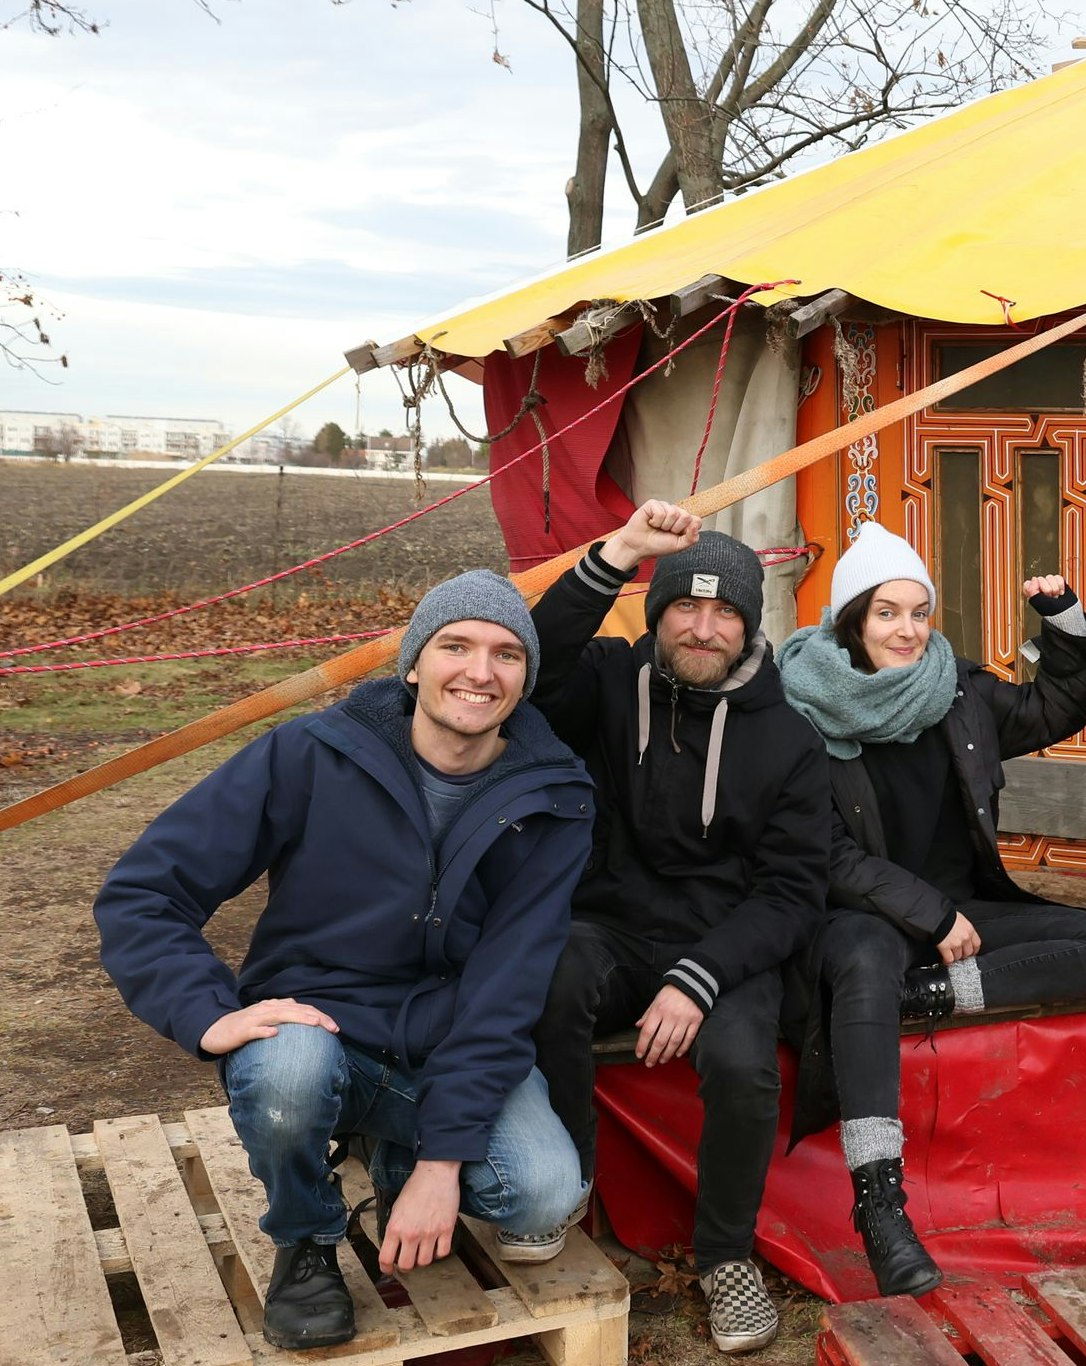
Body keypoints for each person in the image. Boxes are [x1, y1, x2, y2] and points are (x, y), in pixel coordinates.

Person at [93, 571, 594, 1351]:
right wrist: (207, 1014)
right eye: (454, 646)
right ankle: (305, 1240)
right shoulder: (309, 755)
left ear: (525, 679)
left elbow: (506, 988)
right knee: (288, 1076)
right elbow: (145, 892)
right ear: (413, 664)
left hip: (447, 1042)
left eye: (506, 654)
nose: (479, 671)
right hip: (316, 1024)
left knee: (541, 1193)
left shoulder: (553, 800)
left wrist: (440, 1164)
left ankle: (393, 1154)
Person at [777, 521, 1086, 1298]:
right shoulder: (800, 707)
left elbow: (1053, 709)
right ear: (852, 619)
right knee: (865, 962)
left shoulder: (956, 689)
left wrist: (1063, 622)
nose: (907, 630)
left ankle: (925, 996)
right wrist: (929, 916)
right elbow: (826, 856)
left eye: (919, 612)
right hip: (858, 919)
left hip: (960, 916)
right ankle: (880, 1207)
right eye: (886, 613)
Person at [526, 500, 829, 1356]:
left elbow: (791, 893)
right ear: (656, 613)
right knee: (551, 978)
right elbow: (534, 666)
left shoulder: (789, 741)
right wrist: (616, 554)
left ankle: (725, 1255)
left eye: (724, 611)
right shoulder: (609, 684)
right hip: (612, 927)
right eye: (685, 607)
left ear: (749, 625)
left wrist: (699, 978)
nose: (702, 627)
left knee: (741, 1064)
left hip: (727, 944)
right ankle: (565, 1195)